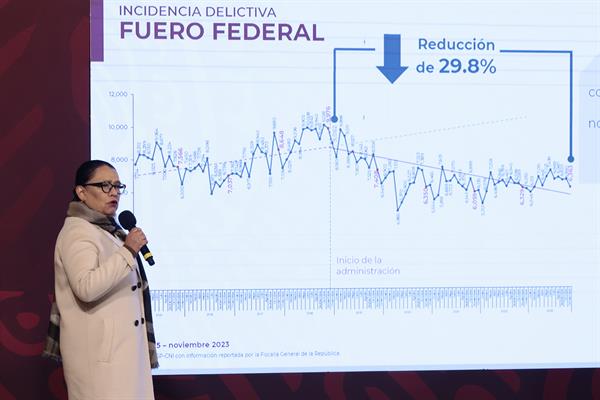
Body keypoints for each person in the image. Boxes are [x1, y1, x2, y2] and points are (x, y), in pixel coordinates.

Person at [49, 160, 157, 399]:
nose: (114, 192)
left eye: (118, 186)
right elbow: (86, 287)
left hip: (122, 359)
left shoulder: (108, 231)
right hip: (100, 363)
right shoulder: (78, 232)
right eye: (105, 185)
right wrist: (128, 251)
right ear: (81, 192)